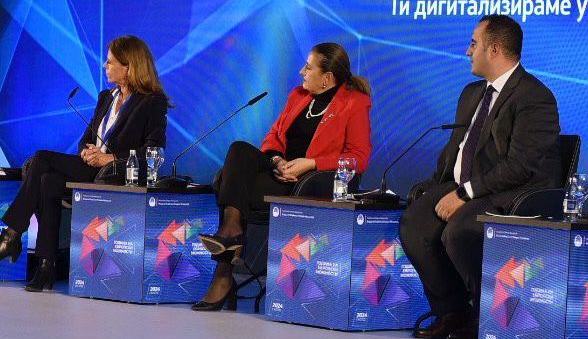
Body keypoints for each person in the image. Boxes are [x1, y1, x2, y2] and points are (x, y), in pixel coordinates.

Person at [399, 15, 561, 339]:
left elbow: (520, 167)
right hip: (465, 187)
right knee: (415, 223)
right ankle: (452, 312)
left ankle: (484, 315)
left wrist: (465, 193)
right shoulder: (472, 93)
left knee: (460, 230)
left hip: (507, 193)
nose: (467, 50)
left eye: (474, 43)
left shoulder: (534, 97)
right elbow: (456, 150)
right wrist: (436, 187)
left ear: (494, 50)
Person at [194, 42, 372, 311]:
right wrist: (277, 161)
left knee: (233, 187)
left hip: (311, 183)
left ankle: (224, 270)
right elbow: (273, 137)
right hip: (280, 175)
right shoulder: (298, 96)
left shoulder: (354, 103)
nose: (301, 72)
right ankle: (231, 231)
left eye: (308, 68)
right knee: (239, 150)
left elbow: (358, 158)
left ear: (327, 78)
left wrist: (310, 164)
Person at [0, 36, 169, 292]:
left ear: (129, 67)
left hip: (118, 173)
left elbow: (153, 151)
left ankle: (12, 233)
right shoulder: (106, 97)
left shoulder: (152, 101)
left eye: (110, 62)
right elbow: (86, 140)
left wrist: (109, 158)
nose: (105, 66)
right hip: (91, 167)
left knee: (42, 158)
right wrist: (88, 152)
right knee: (48, 181)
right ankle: (46, 265)